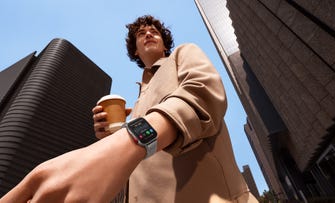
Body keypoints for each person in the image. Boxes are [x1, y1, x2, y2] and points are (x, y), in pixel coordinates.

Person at [1, 15, 257, 203]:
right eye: (141, 33)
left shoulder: (182, 54)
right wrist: (110, 138)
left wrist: (126, 142)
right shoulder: (136, 105)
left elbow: (202, 92)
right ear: (135, 49)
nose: (149, 34)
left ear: (164, 42)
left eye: (154, 31)